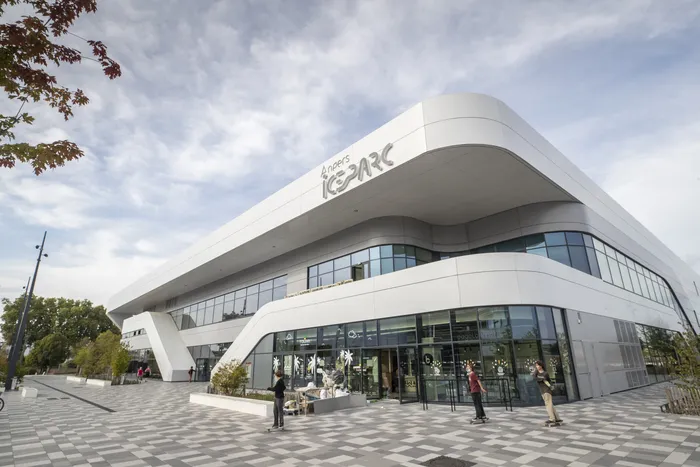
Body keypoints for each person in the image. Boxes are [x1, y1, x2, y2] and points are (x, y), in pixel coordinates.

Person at [532, 360, 562, 425]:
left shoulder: (545, 373)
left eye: (538, 365)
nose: (537, 366)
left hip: (547, 390)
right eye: (536, 365)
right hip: (542, 391)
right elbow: (534, 378)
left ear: (541, 365)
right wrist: (540, 378)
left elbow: (546, 380)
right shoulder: (536, 372)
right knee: (550, 404)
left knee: (548, 404)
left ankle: (552, 419)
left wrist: (541, 378)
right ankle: (557, 418)